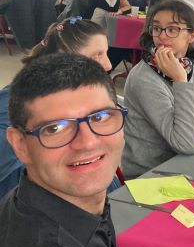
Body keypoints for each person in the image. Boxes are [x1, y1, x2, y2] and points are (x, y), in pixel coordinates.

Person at [0, 53, 128, 247]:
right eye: (55, 128)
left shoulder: (46, 205)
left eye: (100, 117)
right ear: (20, 145)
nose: (88, 142)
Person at [0, 18, 114, 199]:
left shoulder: (76, 96)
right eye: (96, 55)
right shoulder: (15, 103)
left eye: (106, 53)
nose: (108, 65)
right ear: (64, 58)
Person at [121, 0, 194, 178]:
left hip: (186, 165)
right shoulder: (144, 78)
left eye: (172, 29)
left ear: (192, 36)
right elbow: (185, 144)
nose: (162, 36)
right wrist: (180, 81)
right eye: (157, 28)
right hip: (151, 174)